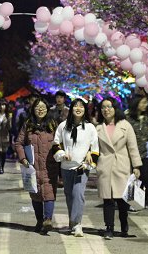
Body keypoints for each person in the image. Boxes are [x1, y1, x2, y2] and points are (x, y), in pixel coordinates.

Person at [95, 98, 142, 239]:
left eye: (109, 106)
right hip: (105, 166)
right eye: (103, 107)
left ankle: (124, 226)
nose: (106, 110)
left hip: (122, 166)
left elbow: (133, 147)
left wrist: (136, 166)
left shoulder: (125, 125)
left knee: (122, 200)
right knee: (108, 200)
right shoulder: (98, 128)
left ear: (115, 108)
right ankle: (109, 228)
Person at [53, 98, 99, 237]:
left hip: (82, 166)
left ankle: (77, 224)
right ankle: (73, 223)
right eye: (75, 106)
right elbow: (56, 144)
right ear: (71, 109)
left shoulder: (90, 127)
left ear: (85, 110)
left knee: (78, 194)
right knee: (69, 195)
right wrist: (61, 154)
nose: (78, 108)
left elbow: (95, 147)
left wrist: (90, 155)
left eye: (81, 106)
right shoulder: (63, 126)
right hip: (66, 166)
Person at [14, 98, 60, 234]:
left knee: (49, 193)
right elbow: (19, 143)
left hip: (49, 165)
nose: (40, 110)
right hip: (32, 166)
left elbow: (59, 142)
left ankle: (48, 219)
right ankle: (39, 220)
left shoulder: (52, 125)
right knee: (35, 194)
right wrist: (23, 158)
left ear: (47, 109)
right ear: (33, 109)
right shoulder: (28, 124)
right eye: (37, 107)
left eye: (43, 107)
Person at [127, 96, 148, 207]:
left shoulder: (145, 118)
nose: (145, 105)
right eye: (143, 103)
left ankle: (138, 201)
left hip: (143, 153)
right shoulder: (128, 119)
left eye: (146, 103)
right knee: (131, 178)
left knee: (143, 178)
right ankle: (129, 202)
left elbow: (146, 136)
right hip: (130, 154)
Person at [0, 100, 12, 174]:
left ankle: (2, 166)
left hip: (5, 136)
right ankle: (0, 168)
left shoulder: (8, 116)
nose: (2, 107)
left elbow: (10, 127)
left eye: (3, 105)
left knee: (4, 152)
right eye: (0, 105)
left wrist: (9, 120)